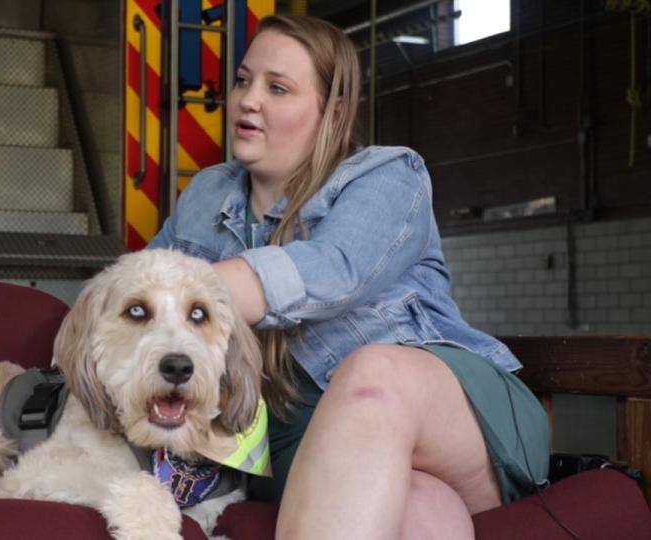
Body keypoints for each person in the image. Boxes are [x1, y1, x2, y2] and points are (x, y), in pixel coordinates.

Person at [147, 13, 549, 540]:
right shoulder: (207, 194)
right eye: (244, 80)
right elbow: (125, 293)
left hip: (451, 417)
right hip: (300, 442)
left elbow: (336, 269)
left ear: (332, 112)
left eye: (278, 88)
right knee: (424, 515)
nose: (248, 100)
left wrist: (180, 295)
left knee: (371, 374)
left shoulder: (386, 175)